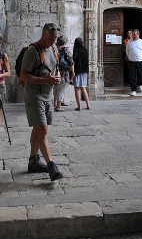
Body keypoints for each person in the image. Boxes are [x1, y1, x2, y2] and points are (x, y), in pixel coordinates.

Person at [20, 23, 64, 181]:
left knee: (38, 130)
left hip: (48, 96)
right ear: (44, 34)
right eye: (51, 37)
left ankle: (33, 161)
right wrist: (44, 81)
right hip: (34, 96)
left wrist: (56, 77)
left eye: (55, 38)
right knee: (43, 130)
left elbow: (55, 66)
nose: (54, 40)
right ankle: (51, 166)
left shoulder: (53, 49)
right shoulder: (32, 51)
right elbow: (23, 76)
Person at [54, 36, 75, 112]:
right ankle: (58, 107)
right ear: (65, 42)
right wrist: (73, 72)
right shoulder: (65, 49)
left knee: (56, 89)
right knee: (61, 90)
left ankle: (55, 105)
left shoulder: (55, 49)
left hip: (56, 72)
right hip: (64, 74)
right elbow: (71, 62)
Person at [72, 37, 91, 111]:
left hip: (78, 71)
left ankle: (79, 106)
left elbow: (73, 60)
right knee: (83, 88)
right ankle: (88, 105)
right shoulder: (85, 50)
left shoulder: (76, 50)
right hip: (84, 71)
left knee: (77, 88)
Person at [126, 28, 142, 96]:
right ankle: (133, 90)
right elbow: (127, 51)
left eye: (135, 35)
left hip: (140, 61)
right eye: (133, 35)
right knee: (132, 76)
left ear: (138, 34)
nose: (133, 36)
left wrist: (139, 57)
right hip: (132, 61)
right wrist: (130, 58)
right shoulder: (129, 42)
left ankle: (140, 84)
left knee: (141, 75)